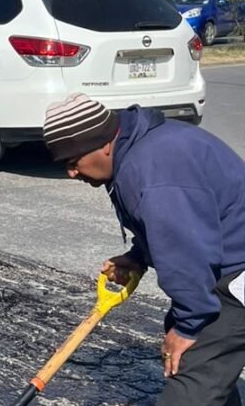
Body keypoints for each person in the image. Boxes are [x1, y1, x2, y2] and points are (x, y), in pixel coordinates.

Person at [43, 93, 245, 406]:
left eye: (73, 161)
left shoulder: (154, 169)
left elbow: (186, 251)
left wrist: (191, 325)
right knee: (197, 362)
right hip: (224, 258)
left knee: (190, 368)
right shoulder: (137, 150)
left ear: (104, 144)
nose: (71, 173)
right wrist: (139, 256)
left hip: (236, 274)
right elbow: (179, 224)